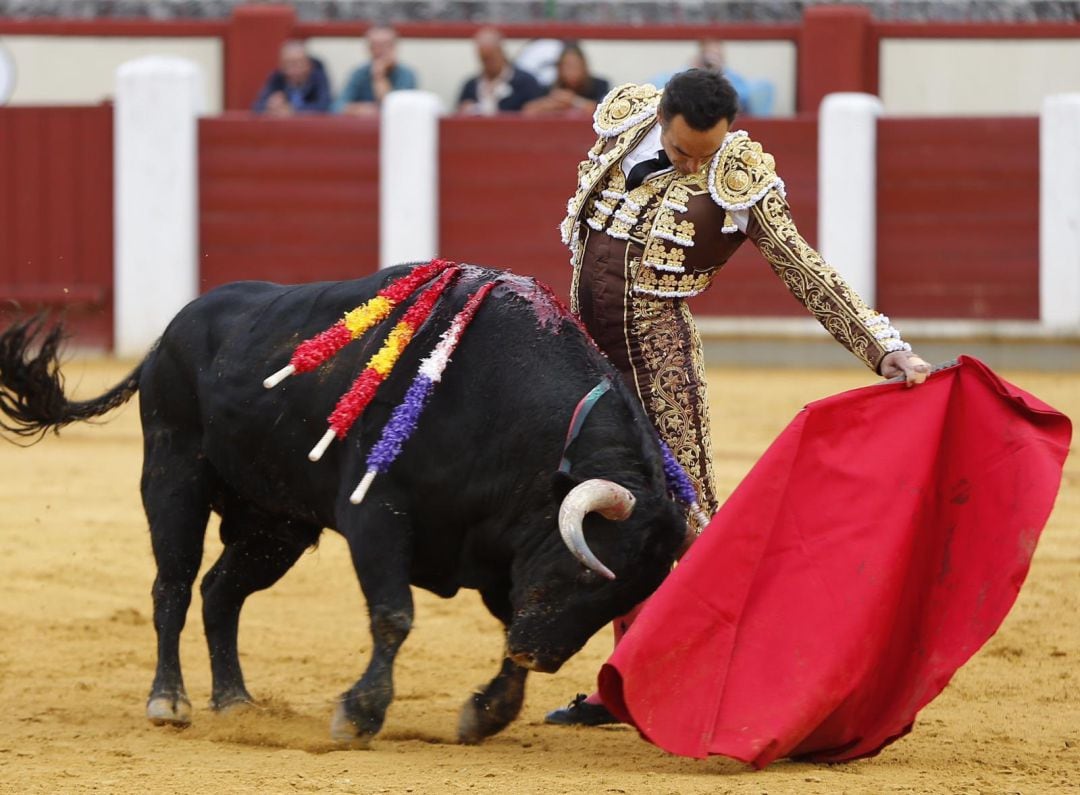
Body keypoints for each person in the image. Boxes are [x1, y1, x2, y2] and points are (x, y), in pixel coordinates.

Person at [545, 69, 931, 726]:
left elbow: (803, 267)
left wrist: (883, 346)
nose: (696, 164)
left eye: (707, 152)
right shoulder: (625, 122)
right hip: (585, 350)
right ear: (661, 119)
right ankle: (629, 680)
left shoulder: (741, 176)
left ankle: (734, 677)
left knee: (685, 518)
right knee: (604, 509)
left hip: (659, 358)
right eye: (681, 152)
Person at [649, 39, 774, 117]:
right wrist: (693, 71)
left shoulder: (730, 76)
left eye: (717, 55)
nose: (712, 60)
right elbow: (663, 90)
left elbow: (747, 98)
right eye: (708, 55)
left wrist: (722, 79)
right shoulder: (685, 73)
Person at [457, 27, 544, 115]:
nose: (487, 63)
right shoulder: (470, 86)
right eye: (484, 59)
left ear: (501, 51)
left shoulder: (526, 82)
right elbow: (458, 116)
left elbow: (536, 114)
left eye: (491, 57)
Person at [335, 25, 418, 115]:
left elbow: (398, 110)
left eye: (385, 45)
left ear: (394, 47)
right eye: (374, 45)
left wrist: (379, 77)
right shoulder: (359, 73)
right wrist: (360, 109)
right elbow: (337, 107)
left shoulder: (406, 74)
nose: (379, 50)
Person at [523, 41, 611, 116]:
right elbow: (528, 111)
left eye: (576, 65)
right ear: (559, 68)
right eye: (567, 66)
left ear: (584, 66)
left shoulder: (599, 85)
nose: (572, 71)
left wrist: (574, 101)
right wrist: (551, 104)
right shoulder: (551, 89)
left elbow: (606, 113)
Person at [253, 40, 332, 116]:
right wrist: (270, 106)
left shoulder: (318, 77)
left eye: (299, 63)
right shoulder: (276, 78)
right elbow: (257, 106)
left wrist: (294, 111)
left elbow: (325, 106)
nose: (294, 69)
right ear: (281, 65)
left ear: (308, 64)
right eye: (288, 64)